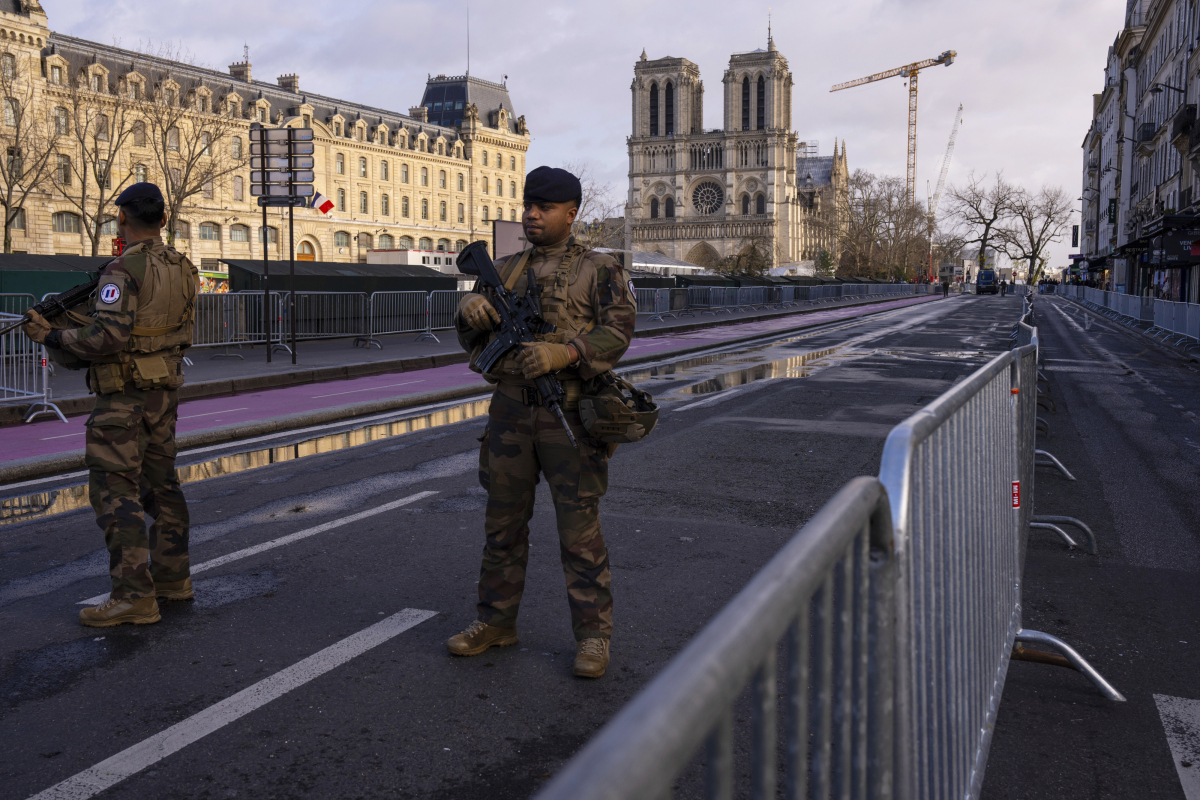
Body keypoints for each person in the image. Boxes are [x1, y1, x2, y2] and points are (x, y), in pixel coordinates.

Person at [447, 166, 636, 679]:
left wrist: (565, 352)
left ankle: (594, 637)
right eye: (528, 204)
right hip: (510, 412)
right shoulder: (503, 269)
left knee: (579, 533)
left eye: (544, 207)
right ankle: (496, 623)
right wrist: (469, 309)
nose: (531, 214)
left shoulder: (599, 269)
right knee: (502, 528)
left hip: (568, 411)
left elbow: (618, 332)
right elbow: (472, 340)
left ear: (570, 214)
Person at [22, 183, 198, 627]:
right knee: (162, 486)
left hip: (124, 396)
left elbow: (109, 337)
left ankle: (134, 596)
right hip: (164, 389)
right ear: (163, 218)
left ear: (122, 218)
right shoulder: (184, 266)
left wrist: (52, 335)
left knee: (115, 493)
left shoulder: (122, 270)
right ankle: (173, 580)